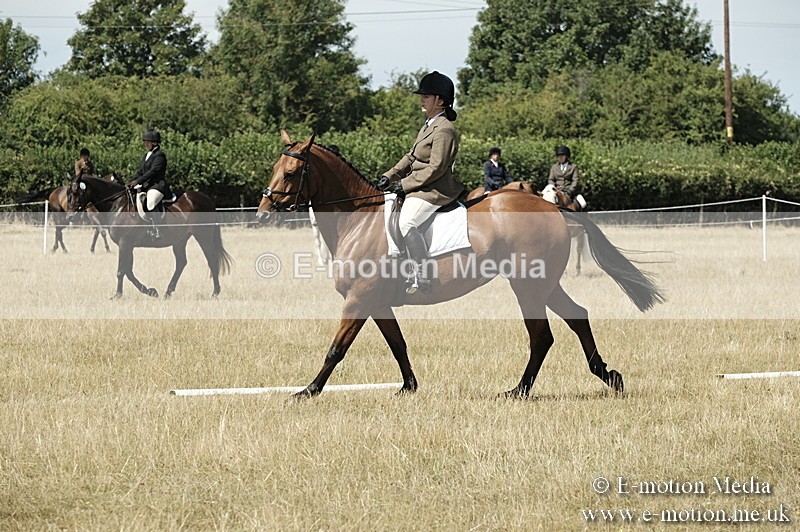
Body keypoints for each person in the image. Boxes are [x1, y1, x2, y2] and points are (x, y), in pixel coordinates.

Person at [376, 71, 465, 294]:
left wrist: (404, 185)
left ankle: (423, 274)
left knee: (406, 222)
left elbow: (436, 168)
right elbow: (411, 157)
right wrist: (390, 175)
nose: (422, 99)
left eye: (427, 96)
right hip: (420, 186)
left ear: (440, 101)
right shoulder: (428, 125)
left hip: (434, 190)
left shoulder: (444, 129)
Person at [129, 130, 171, 238]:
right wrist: (132, 181)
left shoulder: (160, 156)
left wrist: (138, 181)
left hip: (158, 186)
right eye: (145, 142)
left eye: (147, 142)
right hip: (147, 186)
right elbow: (140, 171)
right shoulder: (146, 155)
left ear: (154, 143)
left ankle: (158, 229)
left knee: (150, 203)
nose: (145, 144)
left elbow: (153, 172)